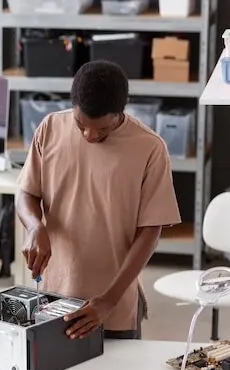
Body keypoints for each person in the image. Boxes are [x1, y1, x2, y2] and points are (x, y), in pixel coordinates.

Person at [16, 60, 181, 341]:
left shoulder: (150, 148)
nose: (90, 135)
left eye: (102, 129)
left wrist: (108, 300)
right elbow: (26, 192)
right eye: (81, 125)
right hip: (54, 298)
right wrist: (34, 226)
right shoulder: (50, 127)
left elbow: (150, 231)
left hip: (114, 305)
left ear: (120, 112)